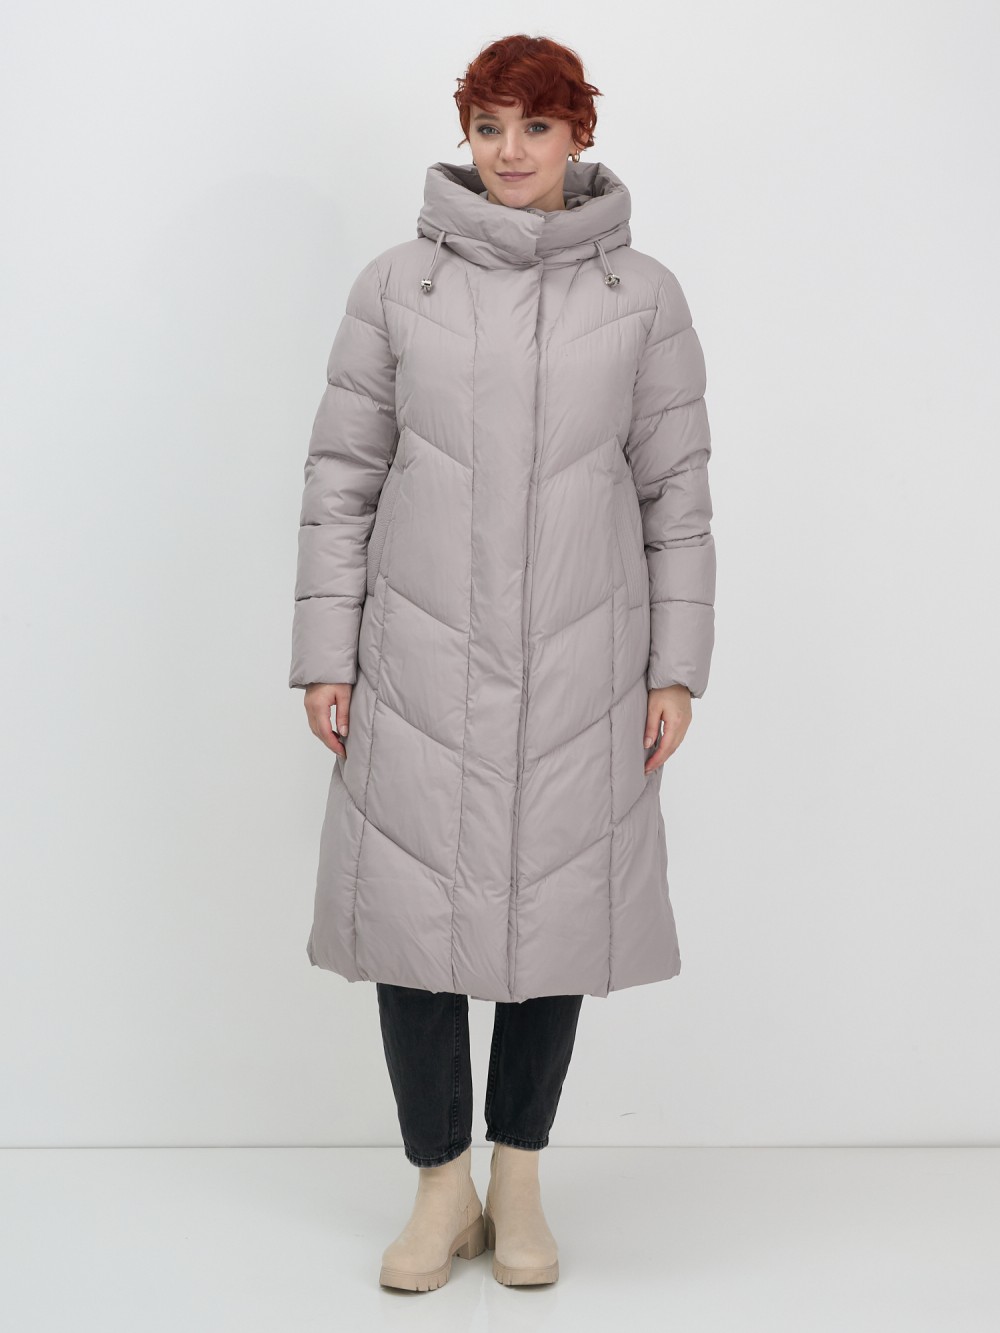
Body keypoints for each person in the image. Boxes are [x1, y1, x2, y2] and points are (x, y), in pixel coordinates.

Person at [288, 33, 716, 1292]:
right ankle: (441, 1190)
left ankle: (517, 1182)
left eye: (536, 126)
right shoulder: (395, 287)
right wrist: (325, 653)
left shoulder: (644, 298)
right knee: (413, 919)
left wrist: (674, 668)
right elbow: (342, 478)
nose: (510, 151)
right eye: (489, 126)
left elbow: (676, 496)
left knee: (554, 917)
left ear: (580, 133)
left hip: (585, 657)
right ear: (465, 132)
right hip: (416, 655)